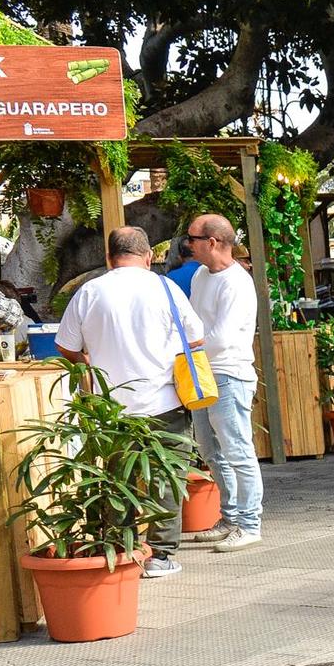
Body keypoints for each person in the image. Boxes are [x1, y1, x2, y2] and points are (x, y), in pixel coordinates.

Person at [54, 227, 205, 580]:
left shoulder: (89, 291)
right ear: (149, 256)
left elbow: (65, 344)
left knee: (117, 477)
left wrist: (87, 361)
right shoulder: (165, 288)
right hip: (165, 400)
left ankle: (121, 550)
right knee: (165, 479)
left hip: (110, 407)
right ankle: (161, 557)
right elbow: (196, 338)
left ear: (109, 258)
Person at [180, 213, 264, 551]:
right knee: (213, 452)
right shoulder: (202, 275)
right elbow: (194, 321)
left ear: (212, 242)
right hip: (204, 374)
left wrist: (185, 348)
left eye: (193, 239)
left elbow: (222, 338)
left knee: (238, 450)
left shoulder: (237, 282)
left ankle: (249, 522)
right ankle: (230, 518)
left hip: (229, 374)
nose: (188, 245)